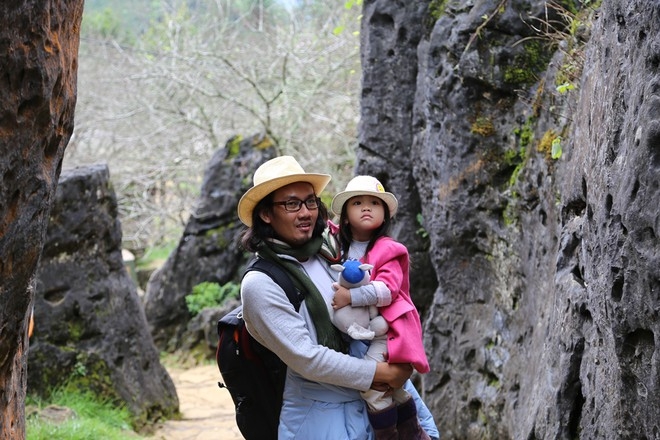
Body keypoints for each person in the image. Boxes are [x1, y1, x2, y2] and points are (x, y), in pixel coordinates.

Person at [236, 156, 438, 439]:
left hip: (380, 399)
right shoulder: (261, 284)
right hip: (322, 415)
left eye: (310, 202)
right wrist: (381, 373)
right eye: (292, 204)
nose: (305, 213)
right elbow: (307, 358)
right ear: (266, 214)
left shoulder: (331, 250)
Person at [330, 175, 432, 439]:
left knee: (373, 387)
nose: (366, 207)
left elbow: (387, 291)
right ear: (345, 214)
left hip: (388, 330)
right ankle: (413, 431)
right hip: (368, 330)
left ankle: (392, 435)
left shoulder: (389, 249)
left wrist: (349, 298)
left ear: (384, 214)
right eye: (358, 203)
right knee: (395, 390)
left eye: (375, 203)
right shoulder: (337, 244)